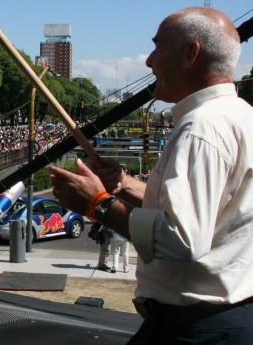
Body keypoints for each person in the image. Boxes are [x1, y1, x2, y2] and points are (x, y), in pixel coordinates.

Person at [49, 7, 253, 344]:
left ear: (191, 53)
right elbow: (207, 217)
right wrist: (123, 185)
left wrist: (97, 204)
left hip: (197, 328)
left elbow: (183, 238)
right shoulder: (240, 115)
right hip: (221, 319)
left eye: (157, 47)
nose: (148, 61)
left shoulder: (201, 126)